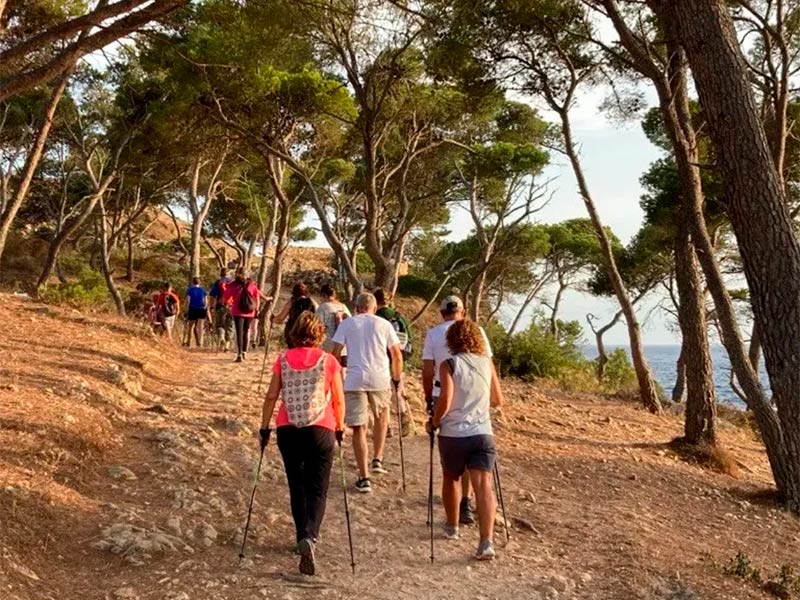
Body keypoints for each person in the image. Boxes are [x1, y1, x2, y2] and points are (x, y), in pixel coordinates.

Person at [259, 312, 345, 576]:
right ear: (319, 334)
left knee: (297, 485)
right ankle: (311, 535)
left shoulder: (282, 360)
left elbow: (272, 395)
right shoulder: (328, 360)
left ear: (294, 333)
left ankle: (300, 537)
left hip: (288, 428)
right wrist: (340, 428)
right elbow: (338, 400)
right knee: (318, 488)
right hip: (321, 427)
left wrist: (264, 428)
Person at [429, 318, 504, 561]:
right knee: (484, 485)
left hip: (454, 433)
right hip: (482, 432)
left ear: (451, 340)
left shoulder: (449, 364)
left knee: (452, 477)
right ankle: (486, 542)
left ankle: (452, 527)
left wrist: (435, 422)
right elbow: (497, 399)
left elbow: (445, 399)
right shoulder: (486, 363)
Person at [422, 295, 493, 526]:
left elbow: (427, 369)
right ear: (462, 312)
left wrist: (428, 401)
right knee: (477, 467)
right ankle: (467, 501)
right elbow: (490, 372)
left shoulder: (433, 333)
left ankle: (453, 521)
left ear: (442, 312)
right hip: (476, 403)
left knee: (452, 465)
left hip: (443, 393)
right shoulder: (478, 331)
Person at [331, 292, 403, 493]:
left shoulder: (347, 324)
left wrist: (338, 373)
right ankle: (377, 459)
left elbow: (335, 353)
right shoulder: (384, 324)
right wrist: (396, 377)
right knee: (381, 417)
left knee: (359, 427)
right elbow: (396, 354)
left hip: (355, 378)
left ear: (356, 307)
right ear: (374, 307)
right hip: (380, 377)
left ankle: (364, 478)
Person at [373, 288, 414, 436]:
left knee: (383, 396)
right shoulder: (399, 316)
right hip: (399, 360)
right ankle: (404, 420)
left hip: (381, 360)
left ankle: (387, 427)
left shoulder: (375, 317)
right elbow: (409, 338)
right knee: (398, 391)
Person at [223, 268, 261, 362]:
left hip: (237, 311)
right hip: (250, 312)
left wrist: (227, 304)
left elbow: (226, 297)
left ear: (237, 274)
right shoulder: (252, 285)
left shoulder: (233, 285)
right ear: (247, 274)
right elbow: (257, 297)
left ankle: (239, 354)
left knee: (239, 332)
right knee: (245, 331)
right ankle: (244, 352)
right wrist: (257, 309)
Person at [272, 283, 317, 348]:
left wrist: (273, 319)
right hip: (308, 332)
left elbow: (281, 318)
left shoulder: (292, 301)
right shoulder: (312, 302)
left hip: (293, 332)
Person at [315, 283, 351, 362]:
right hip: (343, 347)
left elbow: (316, 326)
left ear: (323, 295)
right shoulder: (343, 307)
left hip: (328, 346)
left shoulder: (323, 307)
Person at [209, 268, 234, 351]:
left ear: (220, 274)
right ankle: (227, 347)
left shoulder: (218, 282)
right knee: (230, 326)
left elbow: (212, 295)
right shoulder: (233, 282)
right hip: (231, 307)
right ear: (228, 274)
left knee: (220, 325)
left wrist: (211, 306)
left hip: (220, 306)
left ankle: (222, 337)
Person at [184, 277, 209, 348]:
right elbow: (206, 301)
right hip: (201, 309)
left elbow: (188, 300)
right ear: (199, 283)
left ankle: (189, 342)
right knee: (200, 327)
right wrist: (205, 307)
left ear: (193, 282)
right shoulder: (203, 290)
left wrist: (186, 310)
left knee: (191, 326)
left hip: (192, 309)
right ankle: (200, 343)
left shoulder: (190, 290)